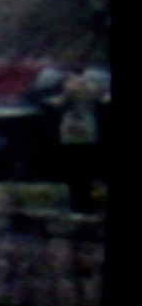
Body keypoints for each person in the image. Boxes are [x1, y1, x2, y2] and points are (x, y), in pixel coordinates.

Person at [47, 65, 109, 213]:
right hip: (79, 132)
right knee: (80, 170)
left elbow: (60, 103)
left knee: (80, 170)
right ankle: (82, 202)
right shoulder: (87, 88)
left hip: (79, 132)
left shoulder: (83, 88)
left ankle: (82, 202)